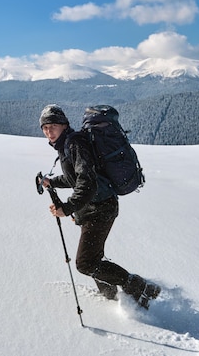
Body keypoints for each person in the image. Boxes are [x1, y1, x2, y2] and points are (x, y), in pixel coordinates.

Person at [38, 104, 160, 307]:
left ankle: (141, 288)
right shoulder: (68, 144)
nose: (48, 132)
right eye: (45, 128)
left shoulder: (74, 144)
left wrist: (67, 207)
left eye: (52, 126)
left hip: (101, 208)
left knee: (85, 263)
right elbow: (75, 178)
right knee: (93, 258)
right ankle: (110, 296)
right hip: (93, 208)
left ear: (64, 125)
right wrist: (53, 182)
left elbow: (87, 181)